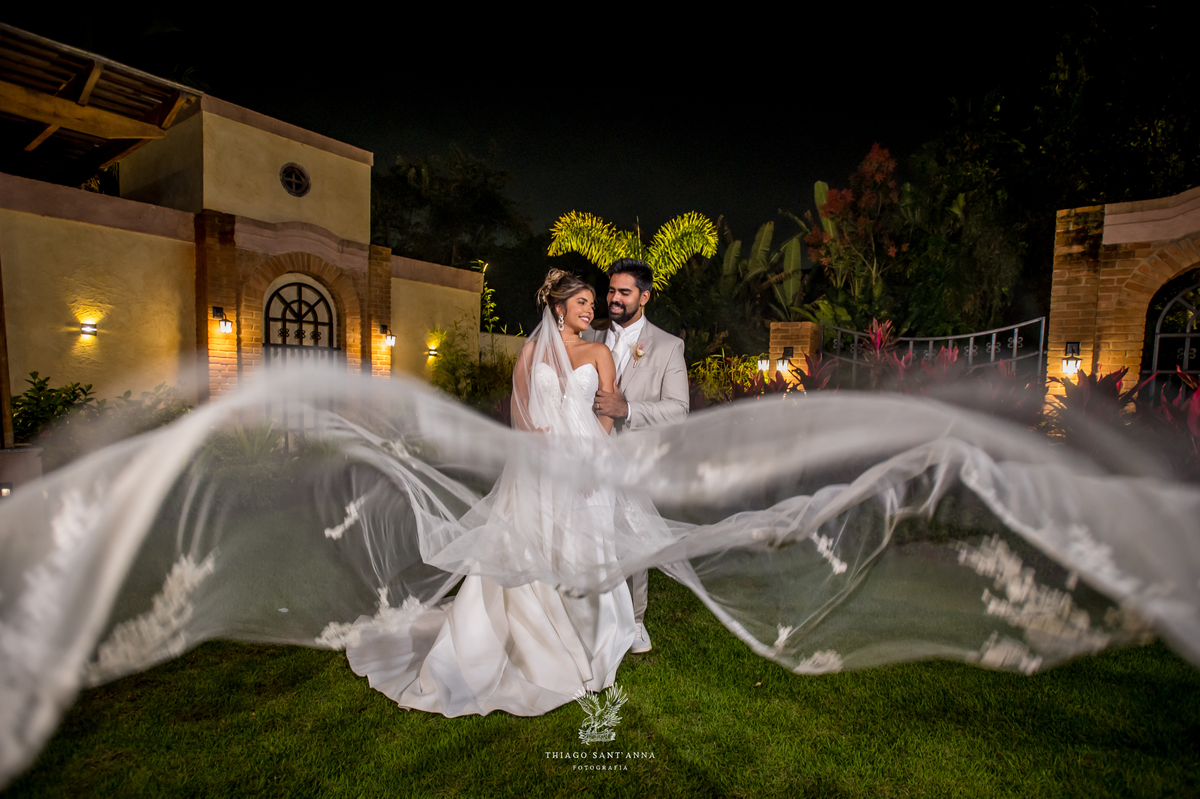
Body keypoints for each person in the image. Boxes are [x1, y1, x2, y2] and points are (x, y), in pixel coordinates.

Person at [345, 269, 661, 716]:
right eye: (582, 303)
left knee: (586, 547)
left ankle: (589, 640)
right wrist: (534, 442)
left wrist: (593, 459)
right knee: (533, 542)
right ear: (559, 308)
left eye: (593, 303)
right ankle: (534, 639)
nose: (591, 310)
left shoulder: (599, 353)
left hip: (585, 464)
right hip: (537, 465)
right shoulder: (532, 351)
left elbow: (607, 409)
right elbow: (519, 405)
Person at [584, 258, 689, 654]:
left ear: (644, 297)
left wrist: (626, 409)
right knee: (585, 533)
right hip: (585, 453)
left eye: (624, 292)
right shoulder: (588, 333)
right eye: (611, 290)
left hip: (632, 459)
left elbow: (678, 409)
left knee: (631, 541)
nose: (614, 298)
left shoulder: (667, 346)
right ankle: (584, 614)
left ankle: (635, 621)